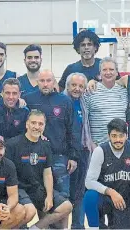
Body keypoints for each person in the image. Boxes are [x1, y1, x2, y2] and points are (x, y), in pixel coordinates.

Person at [6, 110, 73, 229]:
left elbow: (47, 174)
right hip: (19, 189)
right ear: (27, 124)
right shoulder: (12, 144)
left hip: (37, 189)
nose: (37, 127)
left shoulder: (46, 145)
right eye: (33, 123)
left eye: (40, 124)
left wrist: (49, 195)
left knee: (67, 207)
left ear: (44, 126)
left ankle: (35, 228)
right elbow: (7, 173)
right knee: (27, 212)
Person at [23, 70, 80, 200]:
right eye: (42, 81)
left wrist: (73, 156)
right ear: (37, 82)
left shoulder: (65, 101)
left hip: (59, 157)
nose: (45, 84)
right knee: (38, 197)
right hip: (34, 156)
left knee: (63, 197)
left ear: (54, 82)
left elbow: (74, 130)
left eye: (48, 81)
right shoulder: (28, 99)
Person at [84, 118, 130, 229]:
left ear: (126, 135)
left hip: (126, 201)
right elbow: (89, 181)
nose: (118, 140)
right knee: (90, 196)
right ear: (108, 136)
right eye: (114, 136)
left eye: (121, 136)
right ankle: (95, 227)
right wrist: (110, 192)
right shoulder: (100, 151)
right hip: (106, 198)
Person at [63, 72, 94, 229]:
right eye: (73, 85)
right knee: (64, 194)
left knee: (79, 193)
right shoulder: (61, 101)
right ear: (67, 86)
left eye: (81, 86)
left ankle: (78, 226)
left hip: (83, 151)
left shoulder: (83, 102)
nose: (77, 89)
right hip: (66, 153)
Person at [84, 57, 128, 145]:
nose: (108, 72)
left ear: (116, 72)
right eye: (104, 70)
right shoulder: (90, 91)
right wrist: (90, 143)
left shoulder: (125, 91)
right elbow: (84, 121)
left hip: (121, 146)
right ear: (100, 73)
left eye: (111, 69)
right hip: (97, 146)